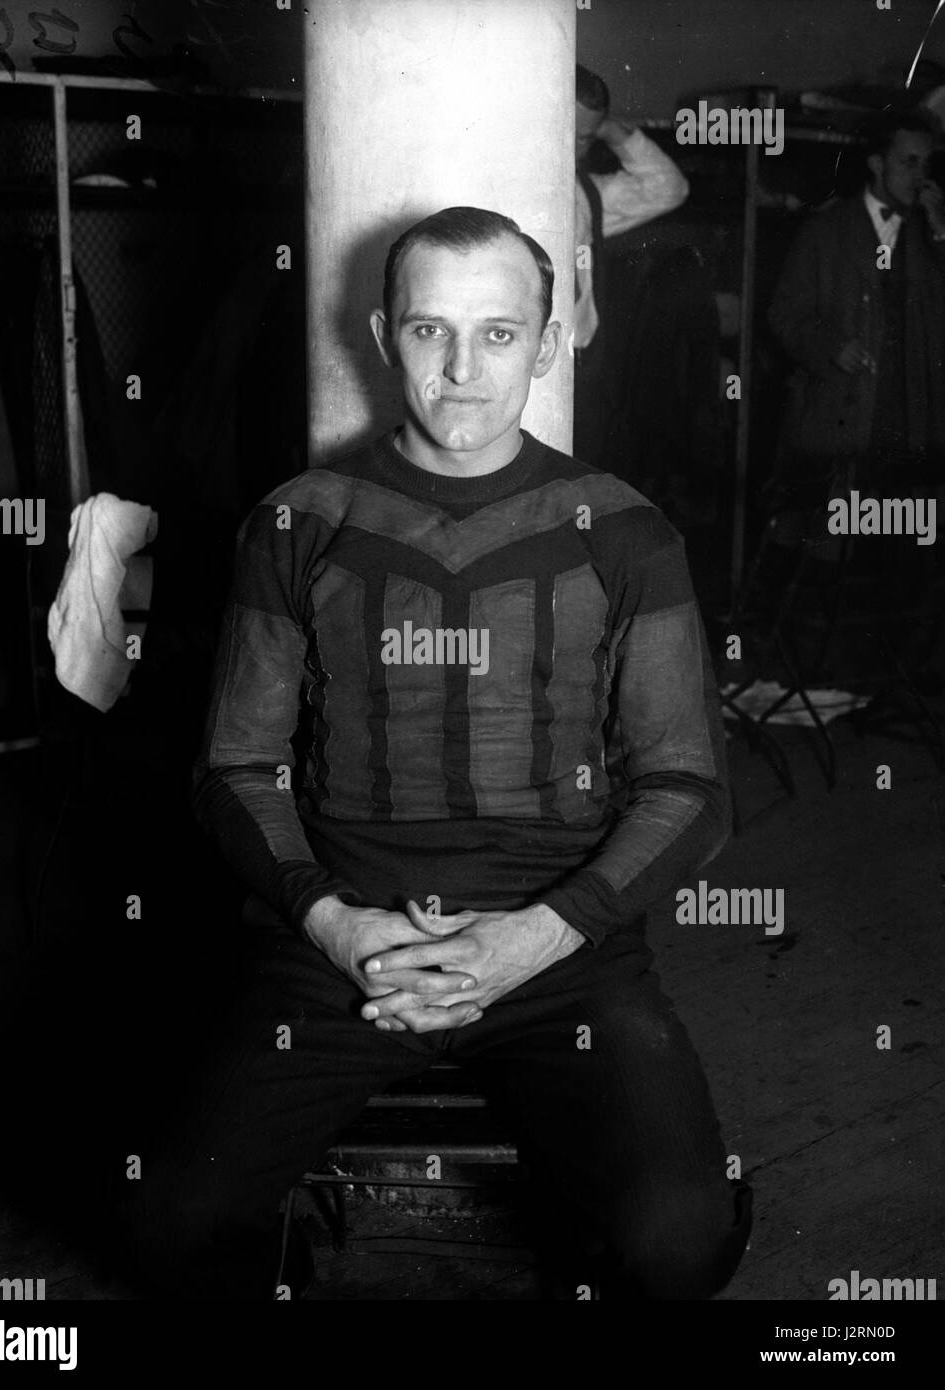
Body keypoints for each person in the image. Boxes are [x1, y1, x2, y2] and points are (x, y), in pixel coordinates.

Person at [118, 207, 752, 1301]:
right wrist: (333, 921)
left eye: (498, 334)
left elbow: (686, 789)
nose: (461, 371)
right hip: (335, 936)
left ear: (548, 344)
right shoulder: (297, 523)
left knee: (675, 1238)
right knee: (162, 1217)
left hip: (561, 950)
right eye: (428, 332)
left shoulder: (625, 530)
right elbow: (234, 765)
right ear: (379, 336)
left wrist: (528, 941)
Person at [768, 112, 945, 500]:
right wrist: (830, 345)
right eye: (908, 162)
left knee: (904, 547)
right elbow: (785, 314)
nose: (920, 175)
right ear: (877, 164)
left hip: (912, 424)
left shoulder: (931, 234)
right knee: (832, 542)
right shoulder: (824, 231)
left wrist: (940, 232)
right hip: (841, 417)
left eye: (926, 163)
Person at [573, 63, 689, 471]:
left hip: (582, 379)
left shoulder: (588, 194)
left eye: (582, 139)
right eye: (561, 128)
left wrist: (609, 131)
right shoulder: (496, 188)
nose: (568, 148)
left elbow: (668, 188)